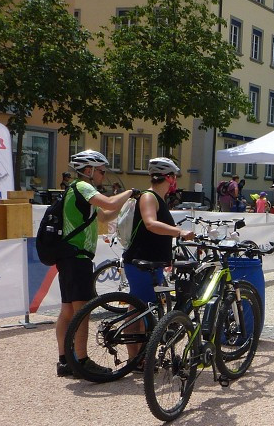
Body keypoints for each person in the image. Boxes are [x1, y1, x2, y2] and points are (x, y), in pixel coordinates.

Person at [54, 151, 138, 377]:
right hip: (77, 257)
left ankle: (64, 360)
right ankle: (81, 361)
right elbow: (109, 201)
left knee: (67, 310)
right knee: (82, 311)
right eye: (101, 171)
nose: (103, 175)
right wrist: (130, 192)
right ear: (89, 170)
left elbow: (103, 216)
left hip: (69, 256)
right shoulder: (82, 187)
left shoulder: (76, 191)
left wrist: (125, 205)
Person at [120, 158, 196, 359]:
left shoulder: (158, 199)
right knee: (138, 311)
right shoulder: (148, 197)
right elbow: (151, 223)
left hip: (151, 263)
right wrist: (179, 232)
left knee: (142, 309)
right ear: (169, 178)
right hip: (140, 262)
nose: (175, 182)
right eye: (175, 177)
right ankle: (135, 359)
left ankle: (140, 357)